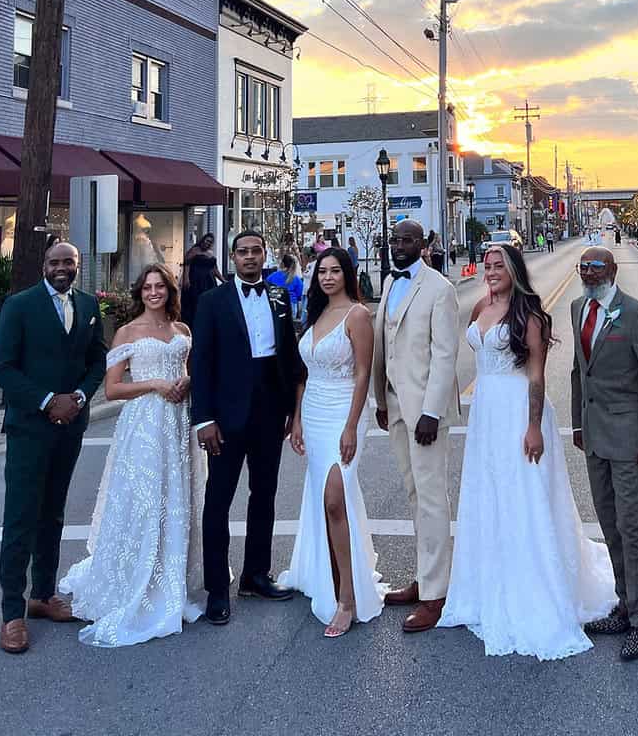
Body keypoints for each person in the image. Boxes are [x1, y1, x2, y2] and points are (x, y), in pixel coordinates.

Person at [439, 246, 616, 659]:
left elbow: (536, 375)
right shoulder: (480, 306)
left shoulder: (529, 316)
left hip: (519, 410)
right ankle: (488, 581)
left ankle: (533, 587)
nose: (492, 272)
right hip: (486, 414)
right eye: (488, 266)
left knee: (525, 498)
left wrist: (534, 426)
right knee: (490, 495)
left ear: (515, 270)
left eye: (500, 266)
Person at [59, 264, 206, 646]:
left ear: (169, 291)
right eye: (148, 287)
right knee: (144, 500)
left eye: (160, 287)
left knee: (177, 498)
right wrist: (155, 384)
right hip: (144, 424)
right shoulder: (127, 332)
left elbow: (188, 368)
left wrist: (186, 380)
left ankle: (170, 572)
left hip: (177, 422)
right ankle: (136, 577)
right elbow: (112, 389)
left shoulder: (182, 330)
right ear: (140, 292)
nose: (154, 293)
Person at [0, 242, 108, 654]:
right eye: (55, 262)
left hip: (69, 428)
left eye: (69, 263)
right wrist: (45, 401)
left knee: (53, 512)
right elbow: (1, 366)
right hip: (29, 429)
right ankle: (11, 613)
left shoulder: (90, 305)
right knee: (21, 517)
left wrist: (77, 396)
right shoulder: (19, 306)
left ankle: (42, 594)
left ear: (78, 266)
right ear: (44, 265)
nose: (62, 268)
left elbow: (98, 361)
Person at [191, 230, 306, 626]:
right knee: (218, 500)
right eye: (243, 252)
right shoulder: (211, 302)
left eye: (257, 251)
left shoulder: (278, 297)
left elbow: (289, 355)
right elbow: (201, 363)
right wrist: (203, 419)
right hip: (225, 416)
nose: (251, 257)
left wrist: (293, 408)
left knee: (265, 494)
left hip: (269, 412)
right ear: (233, 258)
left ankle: (256, 574)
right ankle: (217, 589)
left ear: (265, 256)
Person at [571, 246, 638, 662]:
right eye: (583, 267)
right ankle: (624, 602)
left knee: (633, 526)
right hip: (595, 436)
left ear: (612, 271)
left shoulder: (636, 314)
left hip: (631, 439)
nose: (588, 273)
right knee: (609, 523)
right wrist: (579, 425)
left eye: (595, 267)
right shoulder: (579, 306)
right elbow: (581, 370)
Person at [281, 248, 383, 636]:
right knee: (325, 503)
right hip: (315, 411)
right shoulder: (318, 314)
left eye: (334, 271)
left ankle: (347, 600)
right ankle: (335, 579)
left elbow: (362, 374)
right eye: (321, 271)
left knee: (334, 500)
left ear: (347, 274)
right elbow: (304, 375)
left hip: (344, 411)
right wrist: (298, 419)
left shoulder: (358, 315)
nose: (327, 277)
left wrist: (352, 426)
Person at [373, 220, 459, 633]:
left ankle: (436, 594)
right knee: (413, 494)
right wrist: (380, 398)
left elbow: (445, 356)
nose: (399, 245)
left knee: (431, 498)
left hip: (425, 411)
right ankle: (425, 575)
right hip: (394, 404)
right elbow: (385, 345)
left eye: (407, 239)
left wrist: (432, 412)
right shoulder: (390, 284)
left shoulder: (440, 289)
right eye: (394, 239)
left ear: (423, 244)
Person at [180, 234, 222, 329]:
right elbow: (187, 264)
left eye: (210, 242)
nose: (208, 243)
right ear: (202, 240)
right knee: (195, 302)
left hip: (209, 281)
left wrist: (223, 280)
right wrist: (186, 278)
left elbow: (215, 269)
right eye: (207, 240)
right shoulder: (195, 250)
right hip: (196, 280)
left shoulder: (210, 253)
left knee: (209, 302)